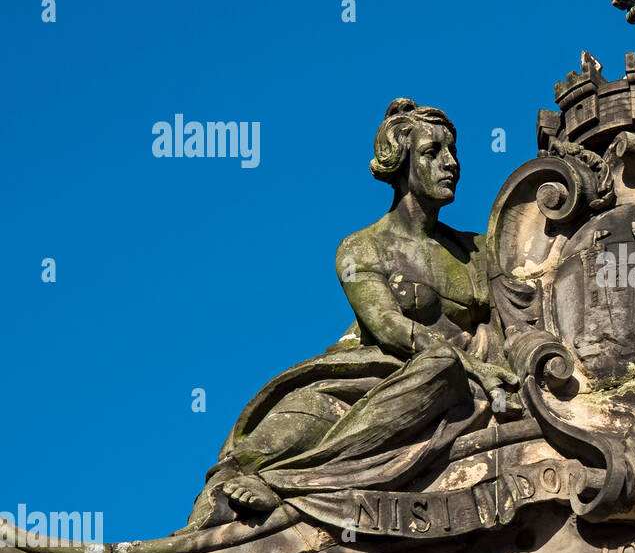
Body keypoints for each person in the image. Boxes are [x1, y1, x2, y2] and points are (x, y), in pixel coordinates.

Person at [183, 99, 516, 531]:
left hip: (449, 386)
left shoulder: (477, 252)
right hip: (373, 379)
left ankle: (286, 482)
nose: (451, 163)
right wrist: (472, 365)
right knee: (268, 440)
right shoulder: (362, 247)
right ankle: (280, 479)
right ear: (400, 162)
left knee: (441, 366)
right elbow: (388, 327)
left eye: (453, 152)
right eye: (433, 152)